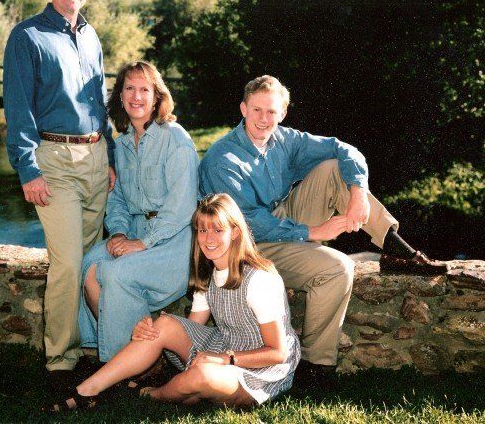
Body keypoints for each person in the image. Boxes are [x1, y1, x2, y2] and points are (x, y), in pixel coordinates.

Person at [198, 75, 447, 382]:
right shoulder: (223, 159)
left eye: (272, 112)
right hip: (244, 244)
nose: (264, 119)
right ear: (243, 109)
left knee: (334, 168)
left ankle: (395, 246)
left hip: (280, 219)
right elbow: (249, 222)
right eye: (257, 110)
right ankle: (315, 366)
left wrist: (358, 192)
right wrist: (314, 232)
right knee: (339, 267)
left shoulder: (284, 140)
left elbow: (345, 150)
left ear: (283, 113)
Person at [45, 193, 300, 412]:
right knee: (164, 325)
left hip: (260, 370)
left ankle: (150, 394)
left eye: (217, 229)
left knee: (201, 375)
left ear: (235, 232)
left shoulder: (259, 279)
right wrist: (154, 331)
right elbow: (190, 329)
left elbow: (277, 352)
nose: (208, 238)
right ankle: (88, 390)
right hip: (226, 347)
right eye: (202, 229)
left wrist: (224, 359)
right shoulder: (209, 271)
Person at [3, 0, 115, 391]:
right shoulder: (27, 36)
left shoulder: (91, 36)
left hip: (95, 157)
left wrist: (111, 161)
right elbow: (18, 108)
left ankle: (87, 344)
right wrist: (27, 168)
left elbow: (99, 102)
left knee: (90, 258)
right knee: (68, 262)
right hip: (53, 161)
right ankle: (60, 362)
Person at [78, 61, 199, 364]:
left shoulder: (175, 138)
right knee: (91, 264)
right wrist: (119, 232)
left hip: (174, 241)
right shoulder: (120, 146)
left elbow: (182, 207)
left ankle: (127, 364)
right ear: (120, 96)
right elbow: (116, 200)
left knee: (116, 273)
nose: (136, 96)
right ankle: (124, 357)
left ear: (157, 96)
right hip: (133, 233)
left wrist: (142, 244)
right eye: (129, 88)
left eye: (144, 89)